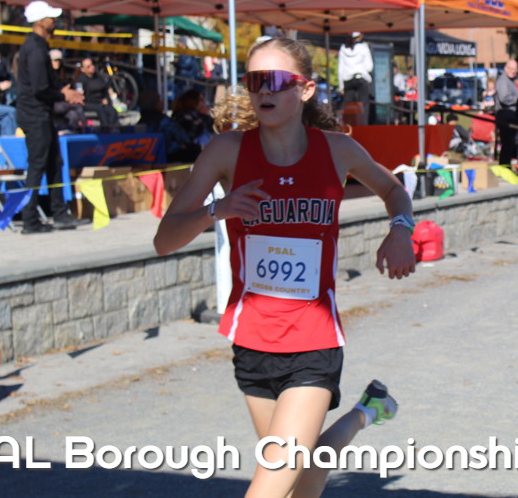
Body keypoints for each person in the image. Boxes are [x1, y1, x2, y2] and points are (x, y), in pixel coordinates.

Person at [153, 37, 415, 498]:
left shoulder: (338, 150)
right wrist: (219, 209)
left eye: (276, 80)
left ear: (306, 89)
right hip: (252, 341)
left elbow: (394, 189)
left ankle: (363, 413)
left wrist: (399, 230)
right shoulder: (227, 150)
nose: (263, 90)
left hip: (314, 341)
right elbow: (164, 240)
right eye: (255, 81)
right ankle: (364, 413)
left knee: (272, 487)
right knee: (299, 482)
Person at [16, 0, 88, 234]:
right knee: (37, 165)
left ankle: (59, 213)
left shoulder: (38, 46)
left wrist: (62, 91)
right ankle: (30, 220)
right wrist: (62, 94)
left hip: (41, 114)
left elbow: (45, 84)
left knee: (54, 163)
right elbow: (39, 87)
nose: (54, 21)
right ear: (39, 21)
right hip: (35, 114)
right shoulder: (35, 48)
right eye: (50, 17)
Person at [338, 32, 373, 124]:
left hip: (347, 80)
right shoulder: (364, 47)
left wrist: (341, 86)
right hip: (361, 78)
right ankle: (363, 127)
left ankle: (347, 126)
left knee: (348, 105)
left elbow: (341, 68)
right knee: (363, 105)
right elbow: (369, 67)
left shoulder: (343, 48)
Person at [76, 56, 121, 128]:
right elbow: (81, 96)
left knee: (112, 111)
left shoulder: (99, 77)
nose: (91, 67)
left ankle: (113, 129)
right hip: (88, 103)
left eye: (92, 64)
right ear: (83, 69)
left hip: (102, 103)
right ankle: (105, 129)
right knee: (101, 110)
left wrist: (107, 100)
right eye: (88, 66)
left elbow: (105, 91)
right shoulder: (81, 80)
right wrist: (99, 101)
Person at [49, 49, 86, 132]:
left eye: (59, 60)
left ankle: (73, 133)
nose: (58, 62)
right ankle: (86, 129)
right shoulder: (47, 75)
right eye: (55, 60)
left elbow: (68, 90)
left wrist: (73, 96)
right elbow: (50, 91)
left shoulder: (62, 75)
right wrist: (63, 93)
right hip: (52, 103)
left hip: (63, 102)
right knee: (78, 107)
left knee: (73, 114)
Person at [495, 59, 518, 164]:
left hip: (511, 115)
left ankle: (508, 165)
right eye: (511, 69)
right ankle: (504, 166)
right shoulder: (503, 80)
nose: (513, 71)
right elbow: (504, 98)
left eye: (515, 69)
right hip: (505, 115)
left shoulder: (511, 80)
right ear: (506, 68)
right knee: (507, 144)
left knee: (511, 144)